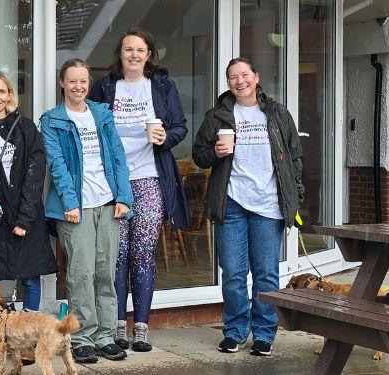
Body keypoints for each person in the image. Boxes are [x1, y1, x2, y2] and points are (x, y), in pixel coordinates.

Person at [192, 57, 304, 357]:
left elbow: (294, 157)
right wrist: (215, 152)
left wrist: (296, 196)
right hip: (232, 203)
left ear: (256, 77)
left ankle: (265, 333)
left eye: (244, 75)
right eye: (232, 77)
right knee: (232, 273)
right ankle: (235, 331)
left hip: (269, 205)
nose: (239, 81)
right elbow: (199, 155)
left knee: (266, 273)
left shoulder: (277, 113)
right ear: (228, 83)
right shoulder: (218, 116)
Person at [88, 27, 191, 352]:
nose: (133, 55)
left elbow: (179, 126)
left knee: (143, 254)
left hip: (149, 179)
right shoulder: (105, 86)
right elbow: (88, 125)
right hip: (113, 181)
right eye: (128, 49)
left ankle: (142, 328)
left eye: (140, 50)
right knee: (117, 256)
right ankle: (118, 325)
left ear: (149, 55)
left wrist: (165, 139)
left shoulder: (160, 85)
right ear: (120, 53)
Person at [41, 58, 133, 364]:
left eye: (83, 81)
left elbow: (118, 158)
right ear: (62, 84)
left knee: (106, 273)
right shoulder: (52, 120)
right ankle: (81, 337)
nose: (78, 87)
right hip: (76, 209)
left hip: (108, 205)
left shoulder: (102, 114)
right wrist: (70, 202)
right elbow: (57, 165)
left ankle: (105, 335)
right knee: (81, 274)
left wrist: (124, 197)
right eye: (72, 81)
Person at [0, 71, 57, 372]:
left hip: (25, 216)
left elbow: (35, 174)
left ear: (10, 96)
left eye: (1, 91)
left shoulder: (25, 128)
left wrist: (25, 218)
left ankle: (28, 339)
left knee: (30, 276)